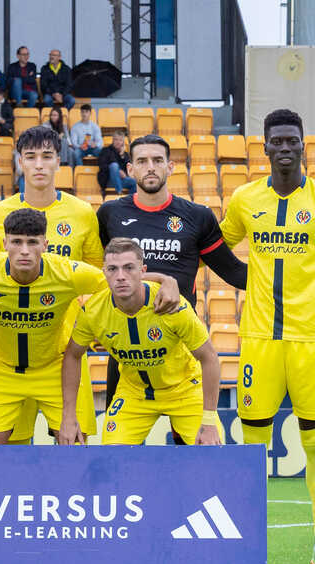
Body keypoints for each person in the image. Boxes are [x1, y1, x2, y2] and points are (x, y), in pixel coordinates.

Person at [220, 107, 315, 564]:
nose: (284, 147)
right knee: (251, 450)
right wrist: (242, 280)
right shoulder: (245, 199)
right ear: (264, 146)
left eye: (291, 140)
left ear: (303, 145)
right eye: (276, 140)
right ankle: (245, 546)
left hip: (311, 343)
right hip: (259, 341)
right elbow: (216, 248)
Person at [0, 126, 181, 443]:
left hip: (65, 354)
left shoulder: (82, 213)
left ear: (58, 161)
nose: (39, 165)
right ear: (19, 162)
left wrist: (161, 279)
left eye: (47, 156)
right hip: (7, 358)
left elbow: (105, 279)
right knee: (4, 457)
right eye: (30, 157)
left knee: (74, 448)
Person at [96, 134, 248, 409]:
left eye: (157, 160)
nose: (150, 167)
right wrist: (160, 279)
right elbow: (104, 271)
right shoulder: (110, 214)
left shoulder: (197, 216)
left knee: (190, 435)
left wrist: (289, 276)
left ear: (171, 166)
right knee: (116, 433)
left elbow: (234, 272)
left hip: (180, 340)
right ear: (130, 169)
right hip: (126, 340)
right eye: (142, 161)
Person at [0, 209, 110, 444]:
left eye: (32, 242)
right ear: (4, 244)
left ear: (45, 245)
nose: (24, 250)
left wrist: (161, 281)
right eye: (16, 242)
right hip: (1, 370)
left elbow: (120, 284)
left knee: (74, 447)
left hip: (54, 369)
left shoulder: (68, 273)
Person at [60, 238, 222, 445]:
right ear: (104, 273)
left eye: (129, 268)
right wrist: (69, 415)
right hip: (133, 393)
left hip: (185, 390)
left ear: (142, 271)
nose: (121, 276)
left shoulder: (171, 305)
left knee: (212, 455)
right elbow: (72, 355)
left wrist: (209, 420)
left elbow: (209, 357)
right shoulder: (93, 311)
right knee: (112, 457)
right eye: (113, 269)